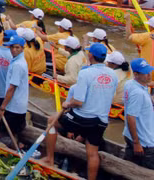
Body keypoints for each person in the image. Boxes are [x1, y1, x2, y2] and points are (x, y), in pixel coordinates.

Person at [44, 43, 118, 180]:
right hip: (101, 121)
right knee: (93, 153)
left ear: (91, 56)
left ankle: (49, 158)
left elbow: (78, 102)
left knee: (51, 122)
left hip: (82, 118)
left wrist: (68, 103)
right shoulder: (113, 74)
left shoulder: (85, 73)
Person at [0, 35, 29, 147]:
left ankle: (14, 148)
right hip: (18, 105)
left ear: (22, 48)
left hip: (14, 107)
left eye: (17, 48)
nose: (14, 50)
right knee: (14, 132)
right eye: (12, 47)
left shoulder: (18, 65)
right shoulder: (18, 61)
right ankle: (17, 145)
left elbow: (12, 88)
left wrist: (2, 107)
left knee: (4, 133)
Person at [123, 58, 154, 168]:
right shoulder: (138, 93)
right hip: (144, 141)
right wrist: (137, 143)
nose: (149, 75)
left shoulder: (130, 84)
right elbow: (130, 117)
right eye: (145, 73)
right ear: (136, 74)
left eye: (149, 72)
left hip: (130, 135)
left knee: (130, 166)